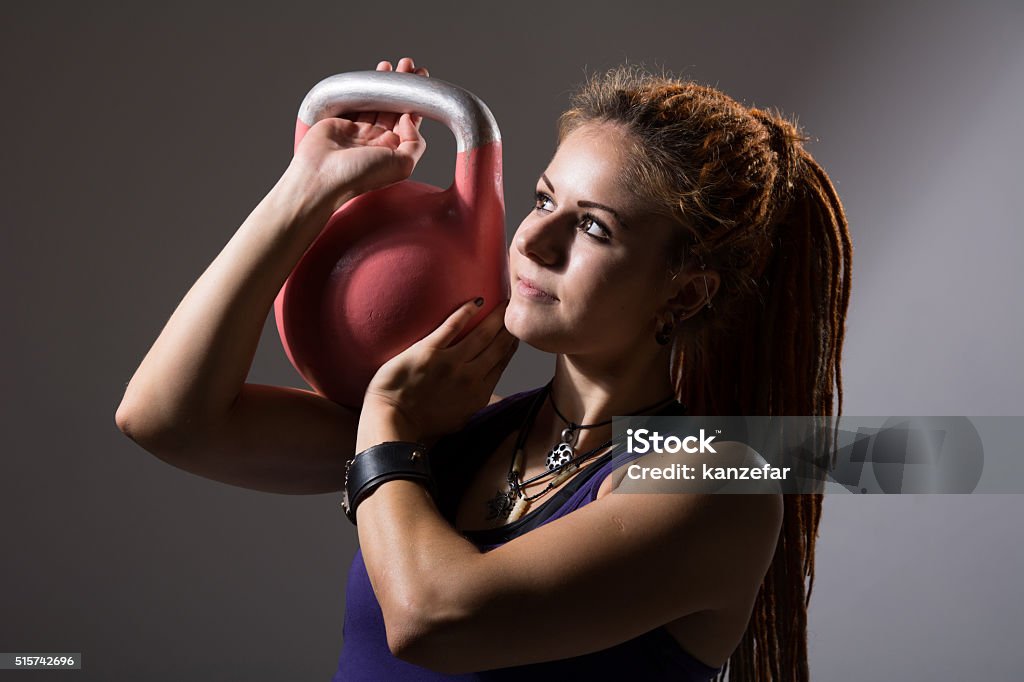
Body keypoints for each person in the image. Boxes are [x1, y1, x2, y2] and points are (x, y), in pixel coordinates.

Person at [116, 56, 851, 681]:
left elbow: (434, 618)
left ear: (685, 290)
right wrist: (311, 187)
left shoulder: (719, 484)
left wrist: (385, 427)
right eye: (542, 200)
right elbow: (168, 420)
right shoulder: (456, 432)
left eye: (593, 226)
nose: (534, 241)